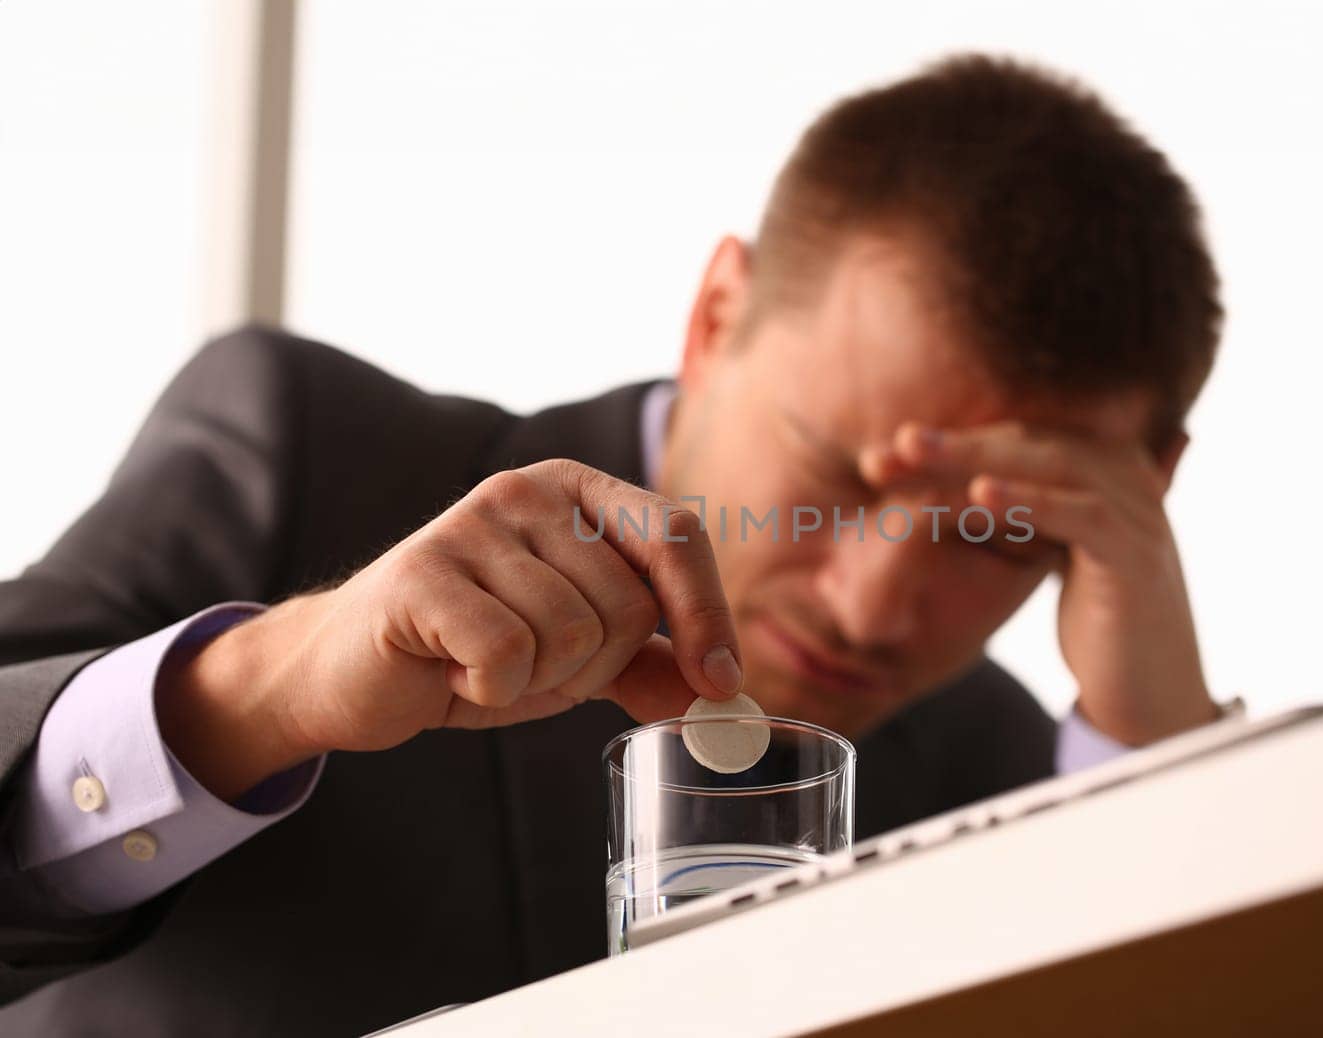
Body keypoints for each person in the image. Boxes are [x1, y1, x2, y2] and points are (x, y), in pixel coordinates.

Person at [0, 53, 1225, 1034]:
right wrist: (266, 687)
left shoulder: (1037, 792)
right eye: (839, 475)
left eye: (994, 535)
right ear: (718, 316)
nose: (870, 603)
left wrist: (1153, 756)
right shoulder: (310, 456)